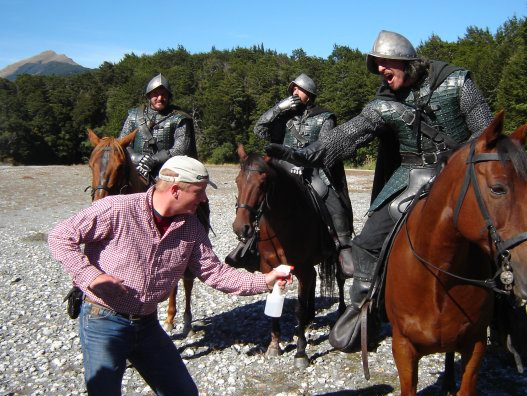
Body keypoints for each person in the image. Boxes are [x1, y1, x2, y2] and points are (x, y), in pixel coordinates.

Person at [265, 30, 493, 350]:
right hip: (412, 175)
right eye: (378, 67)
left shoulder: (456, 82)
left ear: (406, 62)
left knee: (496, 233)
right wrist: (304, 154)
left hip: (464, 173)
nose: (381, 71)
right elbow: (347, 134)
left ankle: (508, 312)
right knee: (368, 240)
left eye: (385, 64)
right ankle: (363, 314)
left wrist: (466, 166)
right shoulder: (384, 104)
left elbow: (487, 133)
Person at [48, 156, 290, 395]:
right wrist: (89, 276)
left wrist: (265, 280)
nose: (204, 198)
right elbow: (60, 236)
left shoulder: (191, 227)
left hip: (147, 324)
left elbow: (216, 273)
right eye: (199, 191)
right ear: (175, 190)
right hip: (103, 319)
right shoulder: (116, 208)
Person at [254, 73, 355, 277]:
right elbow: (259, 129)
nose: (294, 92)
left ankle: (343, 247)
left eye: (298, 89)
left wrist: (307, 161)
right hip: (283, 171)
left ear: (309, 94)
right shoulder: (282, 116)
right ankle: (249, 245)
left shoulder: (325, 117)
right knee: (255, 198)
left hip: (312, 171)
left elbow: (326, 146)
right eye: (292, 89)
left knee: (334, 201)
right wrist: (278, 108)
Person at [120, 73, 196, 182]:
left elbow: (181, 149)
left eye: (164, 94)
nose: (160, 98)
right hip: (136, 170)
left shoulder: (179, 118)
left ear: (169, 96)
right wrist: (137, 158)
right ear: (149, 95)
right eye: (156, 94)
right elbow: (122, 143)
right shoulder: (134, 115)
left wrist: (154, 160)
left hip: (168, 173)